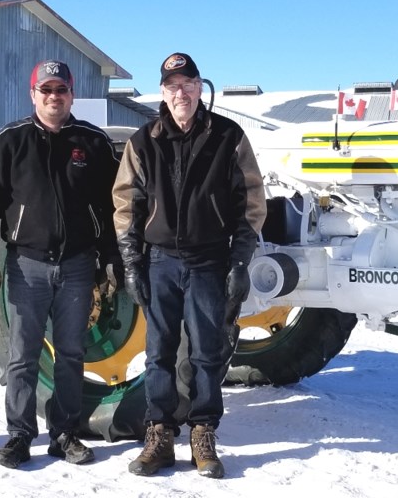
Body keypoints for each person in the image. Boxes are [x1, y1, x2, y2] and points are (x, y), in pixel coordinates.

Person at [112, 52, 266, 479]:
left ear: (200, 87)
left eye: (188, 84)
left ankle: (203, 433)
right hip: (160, 261)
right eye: (172, 86)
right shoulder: (144, 141)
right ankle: (159, 434)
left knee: (206, 352)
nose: (181, 93)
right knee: (158, 353)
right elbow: (126, 204)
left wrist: (239, 259)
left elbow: (251, 201)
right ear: (162, 92)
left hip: (209, 261)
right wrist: (131, 263)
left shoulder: (228, 137)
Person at [0, 60, 121, 469]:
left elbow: (112, 208)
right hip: (26, 264)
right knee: (23, 353)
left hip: (76, 267)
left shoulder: (93, 143)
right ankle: (19, 434)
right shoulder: (11, 140)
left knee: (71, 352)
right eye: (46, 90)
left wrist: (110, 258)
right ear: (33, 94)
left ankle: (65, 433)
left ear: (72, 95)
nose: (55, 97)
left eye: (62, 90)